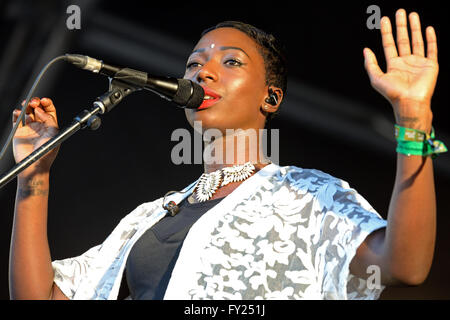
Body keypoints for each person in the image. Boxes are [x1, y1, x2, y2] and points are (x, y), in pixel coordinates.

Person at [8, 8, 444, 300]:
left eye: (231, 62)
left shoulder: (309, 196)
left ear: (270, 98)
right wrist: (34, 179)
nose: (205, 71)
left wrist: (413, 118)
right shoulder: (149, 219)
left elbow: (404, 263)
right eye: (194, 64)